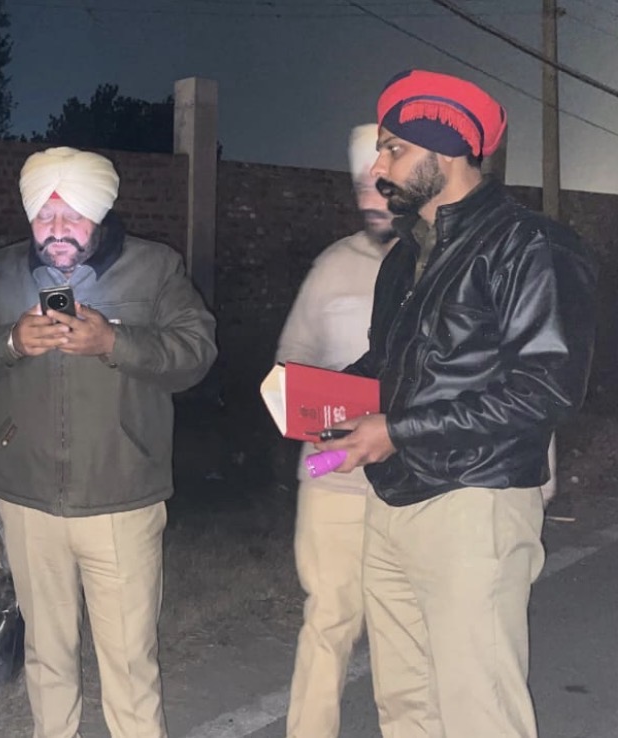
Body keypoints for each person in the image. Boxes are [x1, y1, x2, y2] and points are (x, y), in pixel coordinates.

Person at [319, 69, 597, 738]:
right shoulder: (404, 257)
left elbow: (547, 387)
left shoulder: (530, 245)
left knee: (479, 710)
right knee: (406, 704)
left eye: (394, 149)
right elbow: (388, 365)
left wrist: (399, 428)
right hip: (393, 498)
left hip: (476, 504)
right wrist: (320, 398)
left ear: (445, 152)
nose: (378, 167)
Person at [0, 146, 217, 738]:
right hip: (27, 497)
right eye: (44, 215)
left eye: (73, 215)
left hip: (121, 494)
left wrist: (114, 342)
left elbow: (196, 353)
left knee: (129, 662)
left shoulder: (155, 267)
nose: (57, 229)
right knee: (47, 654)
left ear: (101, 212)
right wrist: (10, 342)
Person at [274, 123, 395, 738]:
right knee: (327, 622)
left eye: (383, 185)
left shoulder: (446, 262)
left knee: (407, 635)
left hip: (415, 483)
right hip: (333, 479)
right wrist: (312, 408)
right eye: (361, 187)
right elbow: (291, 358)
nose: (371, 199)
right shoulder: (333, 265)